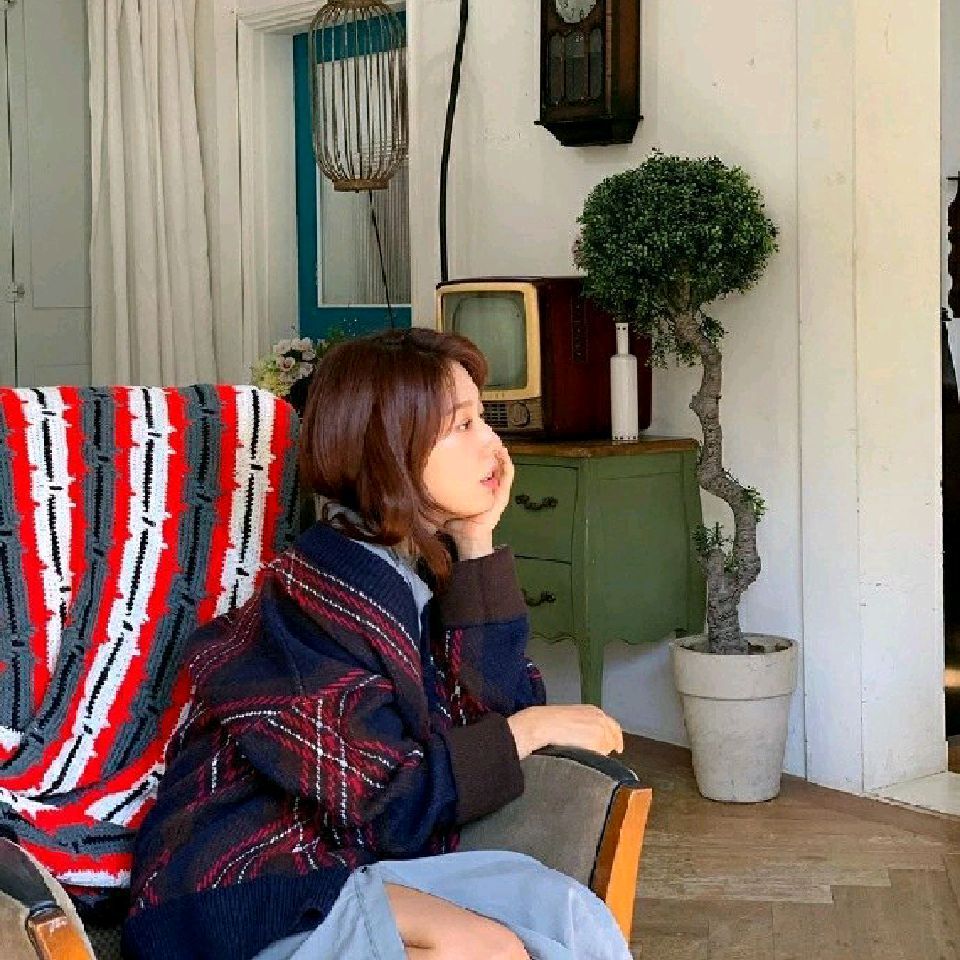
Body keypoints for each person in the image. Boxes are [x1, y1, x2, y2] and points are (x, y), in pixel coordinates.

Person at [123, 328, 629, 960]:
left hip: (356, 866)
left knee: (563, 913)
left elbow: (489, 714)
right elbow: (389, 801)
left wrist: (477, 541)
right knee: (483, 947)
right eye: (462, 425)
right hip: (244, 894)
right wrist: (528, 730)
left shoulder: (414, 569)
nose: (492, 444)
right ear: (390, 449)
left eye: (482, 418)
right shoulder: (312, 603)